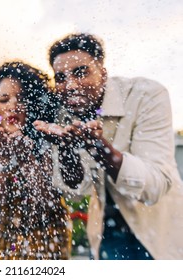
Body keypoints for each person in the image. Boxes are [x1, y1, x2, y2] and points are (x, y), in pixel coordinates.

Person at [34, 33, 183, 260]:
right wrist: (66, 150)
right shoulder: (64, 116)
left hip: (160, 230)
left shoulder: (146, 95)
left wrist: (99, 148)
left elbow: (156, 185)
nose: (70, 85)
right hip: (106, 232)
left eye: (81, 72)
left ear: (103, 74)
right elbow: (76, 191)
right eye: (61, 77)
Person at [0, 61, 81, 260]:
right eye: (4, 99)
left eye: (21, 98)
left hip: (49, 231)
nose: (13, 105)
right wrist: (2, 157)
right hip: (5, 232)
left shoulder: (44, 134)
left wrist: (25, 157)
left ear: (33, 104)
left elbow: (43, 201)